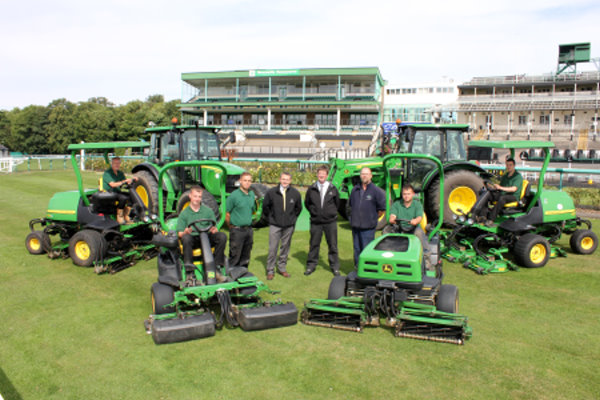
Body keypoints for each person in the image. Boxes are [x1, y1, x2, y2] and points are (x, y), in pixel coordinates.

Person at [176, 186, 227, 276]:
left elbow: (214, 227)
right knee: (186, 238)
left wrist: (214, 229)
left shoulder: (208, 211)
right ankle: (189, 270)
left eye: (199, 197)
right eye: (195, 196)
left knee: (222, 236)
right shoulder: (184, 213)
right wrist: (185, 232)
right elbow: (180, 233)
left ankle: (217, 266)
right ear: (190, 196)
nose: (197, 199)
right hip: (193, 238)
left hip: (206, 237)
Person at [262, 172, 302, 280]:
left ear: (290, 181)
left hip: (289, 226)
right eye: (283, 179)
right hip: (275, 225)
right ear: (280, 179)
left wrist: (292, 219)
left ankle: (282, 268)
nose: (285, 181)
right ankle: (270, 270)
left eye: (287, 179)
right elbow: (265, 207)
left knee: (285, 248)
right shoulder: (271, 192)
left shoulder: (295, 193)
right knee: (273, 248)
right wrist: (271, 218)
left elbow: (298, 208)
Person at [304, 165, 340, 276]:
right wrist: (315, 212)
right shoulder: (311, 188)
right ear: (317, 175)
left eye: (323, 174)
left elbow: (337, 204)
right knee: (314, 244)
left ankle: (335, 267)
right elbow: (307, 203)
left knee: (333, 245)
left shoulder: (333, 188)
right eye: (320, 174)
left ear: (327, 175)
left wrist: (330, 213)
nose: (321, 176)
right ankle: (311, 265)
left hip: (330, 222)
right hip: (316, 222)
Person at [349, 167, 386, 267]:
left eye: (366, 174)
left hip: (368, 228)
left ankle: (367, 269)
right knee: (357, 249)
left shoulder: (376, 191)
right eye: (362, 174)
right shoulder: (355, 190)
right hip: (356, 226)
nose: (364, 176)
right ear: (360, 176)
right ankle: (357, 268)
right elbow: (351, 205)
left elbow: (382, 209)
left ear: (371, 176)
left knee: (367, 250)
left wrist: (371, 218)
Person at [388, 184, 432, 269]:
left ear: (412, 194)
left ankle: (427, 261)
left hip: (413, 228)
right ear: (402, 194)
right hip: (400, 227)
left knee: (419, 234)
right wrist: (392, 218)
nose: (406, 196)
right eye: (404, 194)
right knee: (387, 232)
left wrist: (416, 221)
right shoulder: (397, 204)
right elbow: (392, 215)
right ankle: (389, 257)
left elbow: (419, 216)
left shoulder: (417, 204)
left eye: (408, 194)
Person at [226, 172, 255, 268]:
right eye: (245, 180)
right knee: (235, 256)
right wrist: (231, 226)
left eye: (249, 181)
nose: (247, 183)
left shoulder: (251, 194)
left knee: (246, 257)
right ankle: (231, 276)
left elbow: (252, 210)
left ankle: (243, 274)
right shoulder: (234, 195)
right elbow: (226, 212)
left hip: (249, 230)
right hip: (237, 230)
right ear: (240, 181)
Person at [484, 157, 523, 225]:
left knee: (502, 198)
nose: (508, 167)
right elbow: (500, 187)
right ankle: (482, 215)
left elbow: (514, 189)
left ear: (514, 165)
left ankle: (491, 219)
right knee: (488, 194)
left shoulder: (517, 176)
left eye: (510, 165)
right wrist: (493, 187)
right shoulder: (505, 176)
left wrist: (500, 188)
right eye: (507, 165)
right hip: (503, 193)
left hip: (513, 196)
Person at [103, 157, 138, 224]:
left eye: (118, 163)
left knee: (132, 196)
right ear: (112, 164)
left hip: (117, 191)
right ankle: (119, 216)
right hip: (109, 192)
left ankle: (126, 215)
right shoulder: (107, 173)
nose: (117, 165)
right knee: (123, 197)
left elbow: (125, 182)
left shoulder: (120, 173)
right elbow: (112, 185)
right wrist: (124, 181)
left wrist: (132, 179)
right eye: (115, 163)